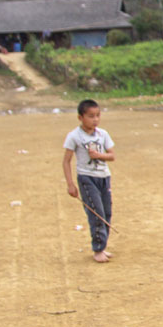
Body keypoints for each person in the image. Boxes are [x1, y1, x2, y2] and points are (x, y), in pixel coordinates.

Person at [62, 99, 116, 262]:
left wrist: (99, 156)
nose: (95, 120)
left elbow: (112, 155)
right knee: (96, 212)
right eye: (91, 116)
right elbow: (66, 161)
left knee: (106, 212)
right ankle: (98, 249)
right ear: (80, 117)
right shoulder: (74, 136)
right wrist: (70, 184)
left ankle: (103, 245)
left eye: (98, 115)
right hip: (87, 178)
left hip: (104, 177)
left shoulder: (103, 134)